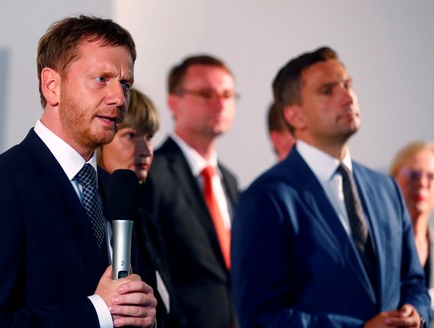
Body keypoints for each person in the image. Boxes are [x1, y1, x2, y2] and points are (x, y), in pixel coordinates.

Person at [0, 15, 156, 327]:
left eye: (125, 83)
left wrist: (144, 317)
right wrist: (98, 311)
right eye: (102, 79)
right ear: (52, 86)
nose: (118, 98)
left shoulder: (114, 190)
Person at [231, 46, 431, 327]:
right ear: (294, 116)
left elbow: (413, 282)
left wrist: (417, 314)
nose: (348, 97)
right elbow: (261, 315)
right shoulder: (265, 198)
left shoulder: (386, 188)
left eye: (347, 85)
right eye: (327, 91)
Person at [147, 54, 240, 328]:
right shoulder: (153, 172)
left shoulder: (230, 181)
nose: (220, 103)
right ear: (173, 102)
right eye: (206, 93)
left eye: (227, 94)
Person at [97, 87, 186, 327]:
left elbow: (169, 309)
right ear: (101, 139)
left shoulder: (145, 222)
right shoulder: (87, 215)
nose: (145, 150)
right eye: (130, 135)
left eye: (149, 137)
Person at [391, 142, 434, 305]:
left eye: (431, 176)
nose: (422, 183)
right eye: (414, 175)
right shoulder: (377, 242)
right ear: (393, 180)